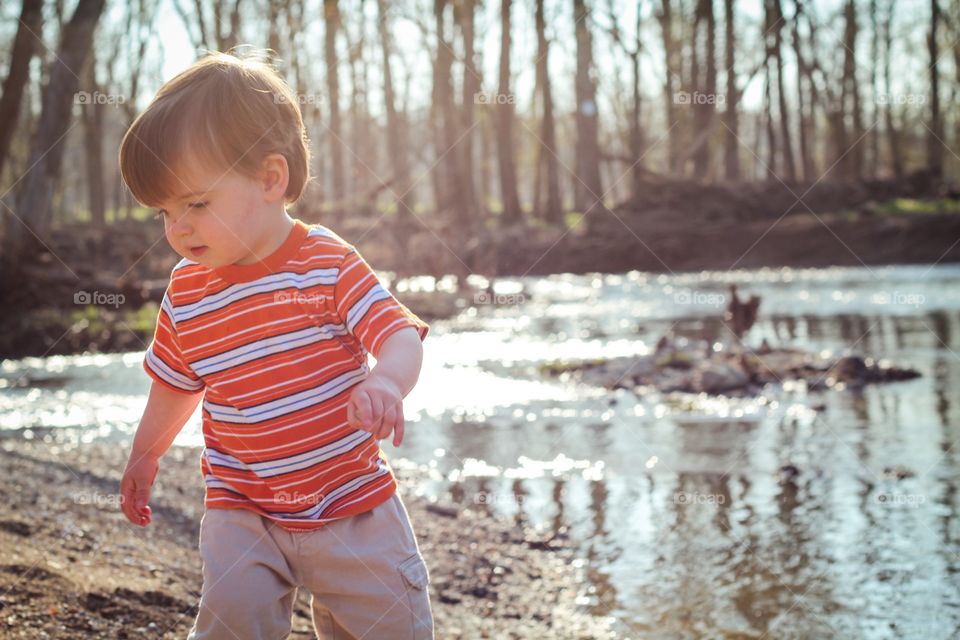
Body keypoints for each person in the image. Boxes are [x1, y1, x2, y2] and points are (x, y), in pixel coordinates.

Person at [117, 50, 434, 639]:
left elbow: (397, 333)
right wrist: (145, 454)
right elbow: (175, 385)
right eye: (165, 211)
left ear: (270, 179)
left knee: (391, 626)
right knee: (232, 619)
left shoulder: (326, 263)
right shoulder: (187, 291)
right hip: (243, 509)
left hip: (352, 502)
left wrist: (387, 380)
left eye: (196, 203)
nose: (178, 227)